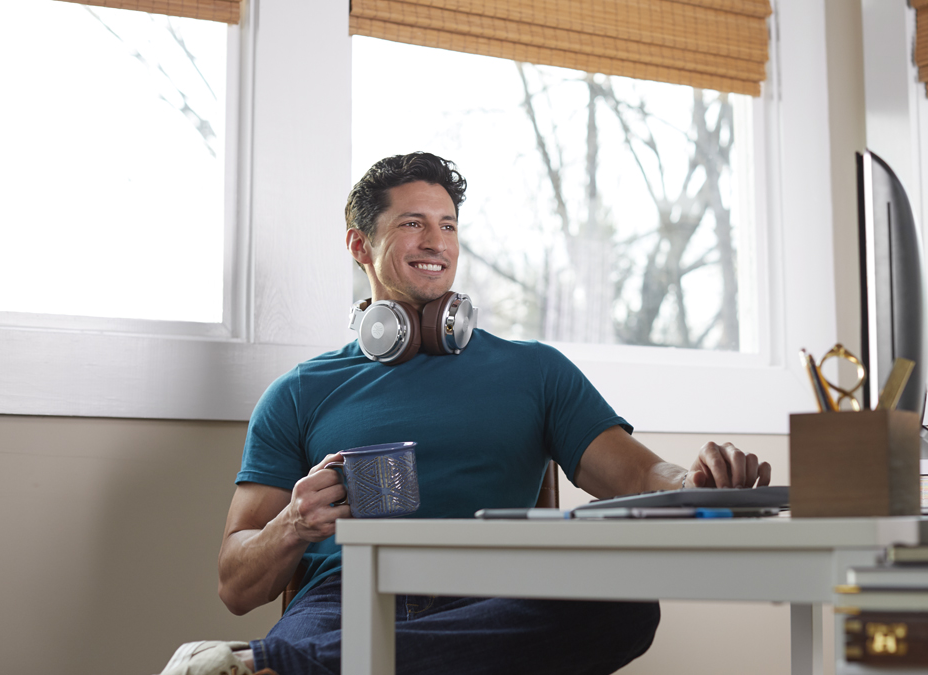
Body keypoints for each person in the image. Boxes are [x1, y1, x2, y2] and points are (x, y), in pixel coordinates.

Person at [159, 152, 771, 675]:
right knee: (322, 633)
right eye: (413, 224)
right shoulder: (299, 392)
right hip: (349, 597)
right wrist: (293, 522)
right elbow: (236, 587)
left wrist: (696, 482)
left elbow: (640, 477)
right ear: (359, 246)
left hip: (501, 598)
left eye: (448, 226)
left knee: (623, 605)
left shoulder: (534, 370)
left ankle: (296, 665)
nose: (437, 243)